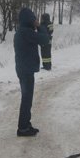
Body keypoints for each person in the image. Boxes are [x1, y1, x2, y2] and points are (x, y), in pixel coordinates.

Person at [14, 7, 49, 137]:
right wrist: (39, 26)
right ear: (29, 19)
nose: (35, 20)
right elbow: (45, 40)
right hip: (25, 70)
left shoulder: (24, 31)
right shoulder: (25, 32)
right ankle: (23, 128)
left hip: (24, 69)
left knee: (27, 99)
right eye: (33, 18)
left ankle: (26, 124)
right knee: (26, 99)